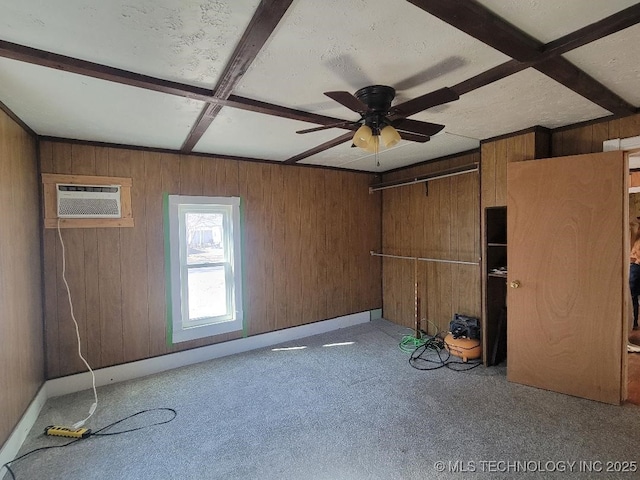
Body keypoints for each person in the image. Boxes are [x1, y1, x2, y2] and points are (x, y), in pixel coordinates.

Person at [630, 218, 640, 330]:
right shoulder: (636, 238)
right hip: (635, 266)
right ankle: (633, 322)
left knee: (633, 296)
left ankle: (633, 322)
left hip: (636, 267)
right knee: (633, 296)